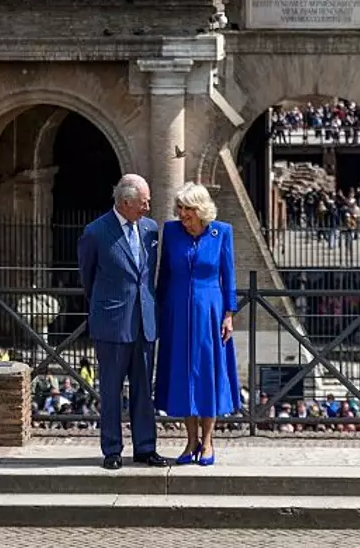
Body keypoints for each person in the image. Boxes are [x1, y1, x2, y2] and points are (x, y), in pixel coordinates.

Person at [77, 173, 169, 470]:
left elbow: (150, 276)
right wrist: (106, 308)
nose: (148, 206)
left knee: (144, 389)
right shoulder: (95, 232)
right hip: (113, 323)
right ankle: (112, 449)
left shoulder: (150, 229)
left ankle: (145, 447)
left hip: (145, 322)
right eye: (144, 202)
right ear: (126, 202)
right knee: (111, 390)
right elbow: (87, 278)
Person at [154, 181, 241, 466]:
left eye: (187, 209)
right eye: (179, 208)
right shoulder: (172, 232)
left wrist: (229, 313)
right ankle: (190, 441)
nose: (182, 214)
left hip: (210, 312)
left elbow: (228, 276)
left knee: (207, 374)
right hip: (177, 311)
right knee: (183, 376)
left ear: (200, 209)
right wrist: (158, 308)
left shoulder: (221, 232)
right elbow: (164, 275)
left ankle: (208, 442)